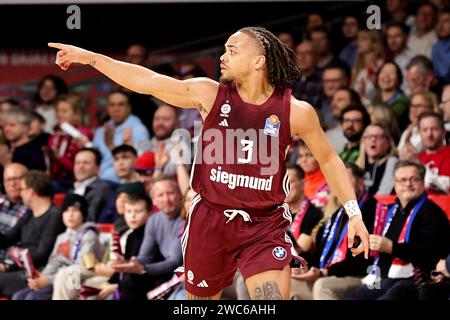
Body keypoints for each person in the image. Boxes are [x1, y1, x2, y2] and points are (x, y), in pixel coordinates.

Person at [49, 26, 370, 300]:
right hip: (210, 221)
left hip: (263, 225)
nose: (223, 56)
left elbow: (329, 159)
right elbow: (146, 80)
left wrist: (354, 214)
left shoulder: (295, 111)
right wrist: (91, 57)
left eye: (232, 50)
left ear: (259, 61)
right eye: (224, 49)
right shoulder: (209, 93)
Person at [345, 160, 449, 300]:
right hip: (383, 276)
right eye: (403, 180)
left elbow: (430, 254)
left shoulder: (432, 213)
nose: (408, 184)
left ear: (423, 183)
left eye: (414, 179)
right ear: (395, 184)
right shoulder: (388, 211)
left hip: (417, 279)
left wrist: (391, 247)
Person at [291, 163, 377, 300]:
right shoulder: (338, 214)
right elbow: (320, 253)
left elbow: (362, 261)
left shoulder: (372, 210)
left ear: (361, 183)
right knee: (286, 282)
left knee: (322, 286)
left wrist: (324, 272)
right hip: (329, 273)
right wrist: (302, 266)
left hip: (362, 276)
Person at [12, 194, 101, 300]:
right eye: (66, 211)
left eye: (75, 210)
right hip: (54, 279)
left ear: (83, 214)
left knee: (33, 297)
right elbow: (53, 263)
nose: (70, 215)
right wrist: (41, 278)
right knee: (18, 296)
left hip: (73, 283)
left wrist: (48, 280)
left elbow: (80, 271)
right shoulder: (61, 237)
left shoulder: (89, 236)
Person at [110, 176, 184, 299]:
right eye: (160, 195)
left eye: (170, 193)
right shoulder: (153, 220)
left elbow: (175, 262)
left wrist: (143, 268)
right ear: (154, 200)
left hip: (183, 275)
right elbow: (145, 256)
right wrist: (127, 263)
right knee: (129, 280)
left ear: (179, 195)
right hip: (165, 273)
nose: (166, 199)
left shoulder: (185, 220)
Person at [0, 170, 65, 297]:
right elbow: (7, 240)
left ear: (31, 191)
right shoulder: (29, 214)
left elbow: (42, 254)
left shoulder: (55, 216)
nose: (20, 193)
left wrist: (7, 268)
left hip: (36, 275)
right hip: (20, 269)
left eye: (22, 189)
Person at [93, 89, 149, 183]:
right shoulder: (101, 131)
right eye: (112, 105)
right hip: (98, 182)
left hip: (124, 183)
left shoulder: (139, 130)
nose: (116, 109)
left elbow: (143, 165)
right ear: (107, 108)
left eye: (121, 104)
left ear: (129, 108)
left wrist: (113, 147)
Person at [355, 124, 398, 195]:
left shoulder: (392, 162)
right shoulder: (357, 165)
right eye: (369, 136)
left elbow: (384, 193)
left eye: (379, 137)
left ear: (388, 143)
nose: (373, 139)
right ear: (363, 142)